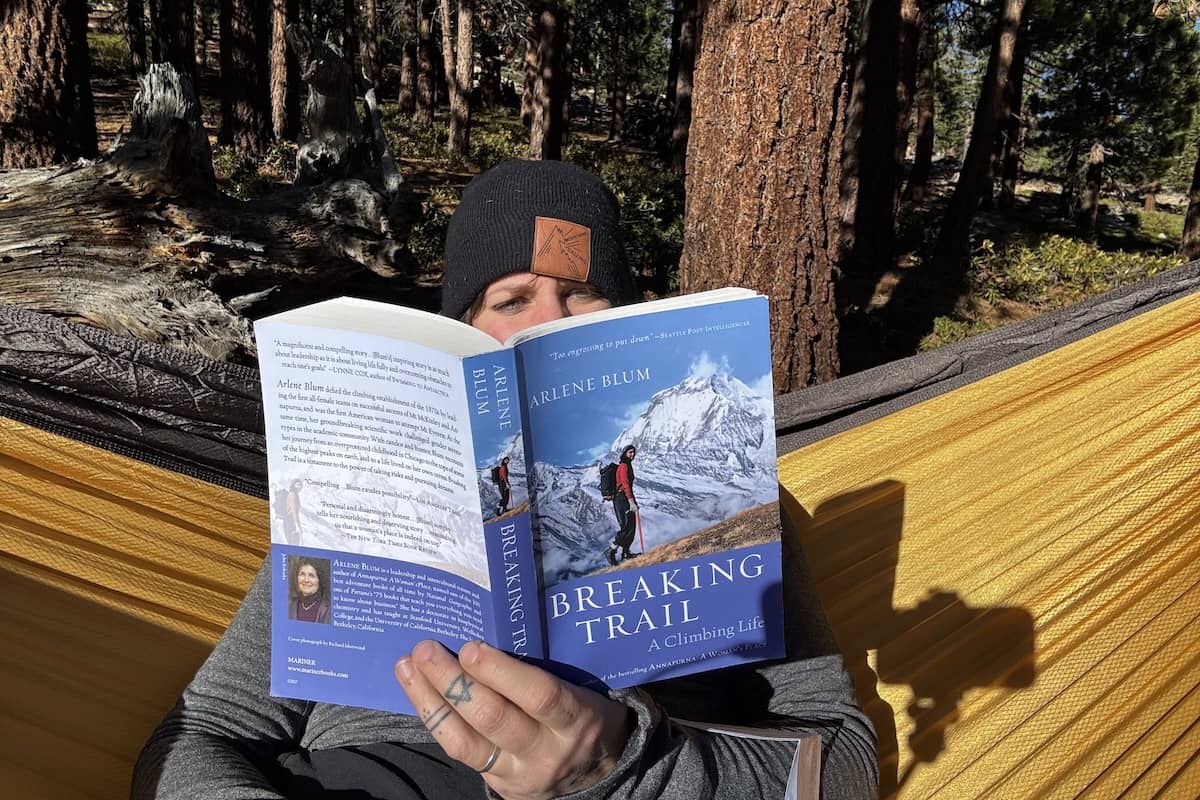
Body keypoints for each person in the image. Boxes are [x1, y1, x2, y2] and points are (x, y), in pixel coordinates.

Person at [133, 159, 877, 800]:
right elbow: (205, 730)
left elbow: (840, 760)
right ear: (464, 329)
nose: (546, 322)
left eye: (581, 294)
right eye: (511, 300)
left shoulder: (749, 498)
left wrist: (622, 769)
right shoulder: (357, 496)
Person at [606, 445, 640, 565]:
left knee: (631, 526)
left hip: (625, 498)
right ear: (625, 453)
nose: (632, 454)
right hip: (621, 499)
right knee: (626, 526)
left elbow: (628, 486)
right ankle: (611, 550)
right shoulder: (623, 466)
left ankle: (626, 554)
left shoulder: (627, 465)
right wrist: (631, 502)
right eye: (630, 452)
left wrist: (633, 501)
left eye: (633, 452)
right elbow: (625, 484)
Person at [287, 557, 331, 624]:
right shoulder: (290, 607)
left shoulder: (328, 610)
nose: (306, 580)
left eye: (311, 575)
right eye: (302, 574)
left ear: (319, 580)